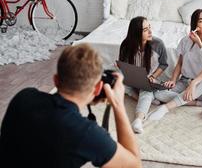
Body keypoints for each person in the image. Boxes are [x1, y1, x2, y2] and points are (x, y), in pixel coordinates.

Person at [0, 43, 142, 168]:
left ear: (56, 80)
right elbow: (134, 165)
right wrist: (118, 104)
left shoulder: (24, 97)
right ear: (98, 88)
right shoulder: (86, 133)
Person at [148, 9, 202, 121]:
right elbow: (180, 64)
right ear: (194, 23)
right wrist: (173, 80)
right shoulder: (185, 41)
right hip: (184, 81)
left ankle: (165, 108)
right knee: (158, 94)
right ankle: (199, 104)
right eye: (201, 21)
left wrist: (194, 84)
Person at [118, 16, 168, 133]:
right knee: (117, 80)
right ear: (136, 33)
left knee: (146, 89)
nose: (150, 31)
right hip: (133, 79)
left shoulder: (158, 44)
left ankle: (138, 120)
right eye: (145, 30)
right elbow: (124, 66)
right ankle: (147, 99)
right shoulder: (126, 46)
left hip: (149, 80)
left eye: (149, 27)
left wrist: (153, 76)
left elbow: (164, 64)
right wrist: (123, 70)